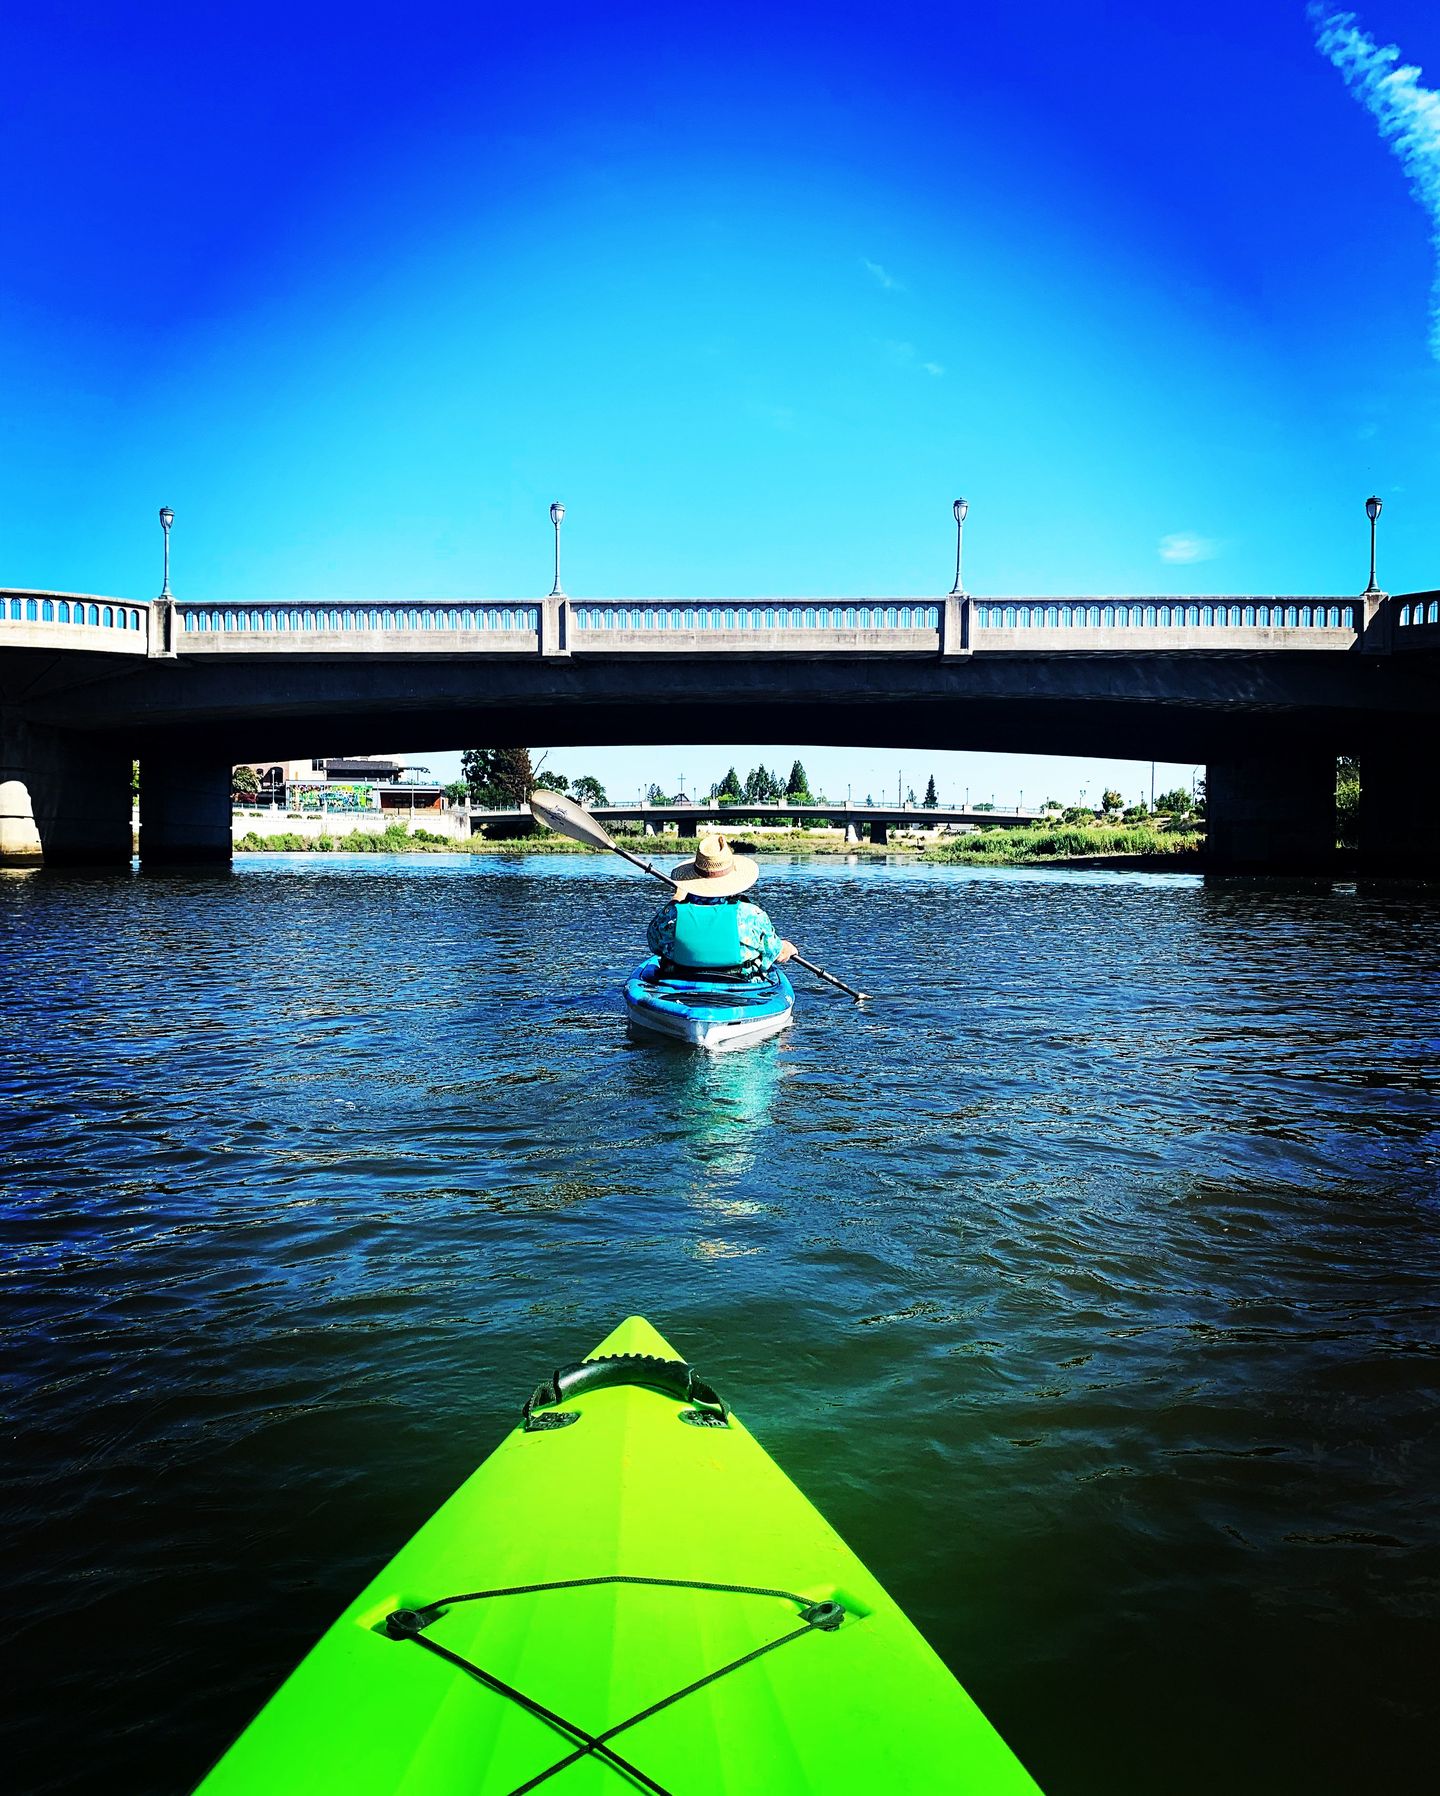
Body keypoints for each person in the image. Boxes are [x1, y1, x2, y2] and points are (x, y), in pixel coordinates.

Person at [646, 832, 796, 980]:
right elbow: (775, 952)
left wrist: (676, 898)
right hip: (740, 989)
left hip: (679, 984)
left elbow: (654, 944)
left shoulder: (670, 915)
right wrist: (787, 947)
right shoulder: (751, 915)